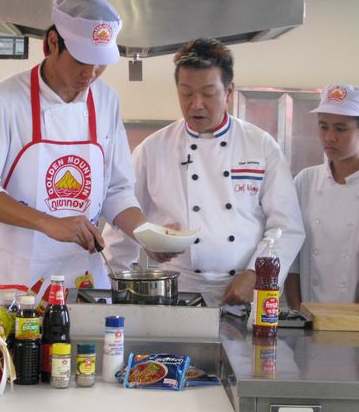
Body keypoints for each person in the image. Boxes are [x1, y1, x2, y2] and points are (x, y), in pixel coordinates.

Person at [0, 0, 171, 289]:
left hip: (86, 280)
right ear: (54, 43)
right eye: (82, 60)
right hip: (20, 281)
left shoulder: (106, 100)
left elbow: (117, 190)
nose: (91, 73)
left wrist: (146, 235)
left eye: (100, 63)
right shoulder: (4, 100)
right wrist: (48, 222)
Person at [102, 38, 305, 307]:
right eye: (186, 93)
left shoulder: (260, 145)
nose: (196, 104)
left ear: (229, 91)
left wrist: (256, 274)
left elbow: (286, 227)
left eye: (208, 93)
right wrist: (113, 290)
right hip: (175, 293)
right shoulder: (153, 149)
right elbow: (121, 222)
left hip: (246, 293)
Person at [284, 84, 359, 309]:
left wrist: (355, 317)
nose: (329, 137)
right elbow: (292, 254)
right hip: (308, 311)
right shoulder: (305, 180)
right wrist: (298, 311)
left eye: (340, 129)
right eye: (323, 127)